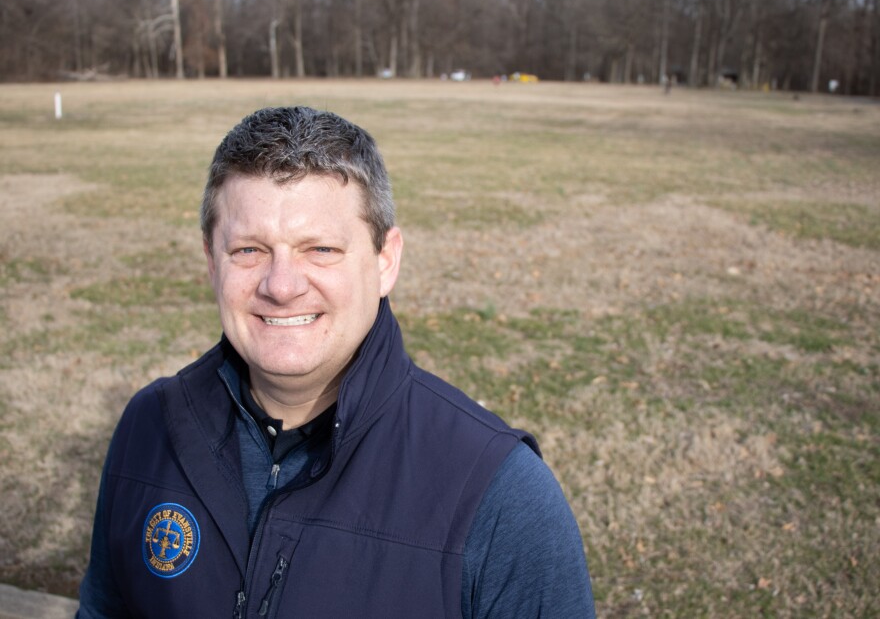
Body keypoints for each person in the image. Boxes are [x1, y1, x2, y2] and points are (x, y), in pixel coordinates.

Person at [78, 106, 595, 618]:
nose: (281, 285)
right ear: (211, 262)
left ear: (385, 260)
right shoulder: (149, 430)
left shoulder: (499, 494)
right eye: (249, 250)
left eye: (320, 249)